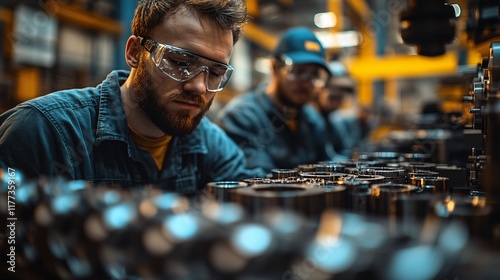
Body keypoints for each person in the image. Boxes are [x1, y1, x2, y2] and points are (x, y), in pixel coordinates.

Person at [0, 0, 264, 194]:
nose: (199, 86)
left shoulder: (210, 144)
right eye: (181, 61)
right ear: (135, 52)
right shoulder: (44, 133)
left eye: (216, 72)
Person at [216, 27, 331, 172]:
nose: (307, 83)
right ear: (275, 67)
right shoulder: (241, 118)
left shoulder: (313, 119)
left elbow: (326, 165)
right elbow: (258, 183)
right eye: (298, 71)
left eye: (314, 75)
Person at [312, 66, 374, 159]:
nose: (335, 104)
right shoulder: (311, 120)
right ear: (319, 90)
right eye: (332, 98)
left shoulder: (332, 121)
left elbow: (343, 149)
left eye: (339, 99)